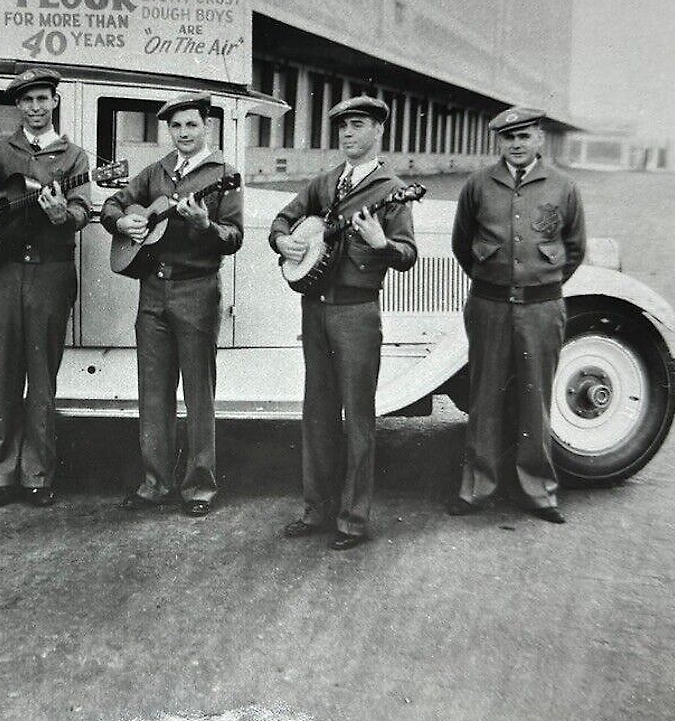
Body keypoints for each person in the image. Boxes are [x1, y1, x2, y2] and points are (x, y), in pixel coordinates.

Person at [269, 95, 417, 549]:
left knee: (358, 416)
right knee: (316, 411)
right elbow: (282, 220)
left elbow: (408, 254)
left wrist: (380, 243)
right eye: (343, 127)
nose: (348, 134)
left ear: (377, 131)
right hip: (314, 308)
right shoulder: (325, 182)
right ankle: (316, 510)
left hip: (356, 311)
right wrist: (284, 243)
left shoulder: (392, 188)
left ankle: (352, 519)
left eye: (358, 125)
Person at [0, 68, 90, 508]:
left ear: (55, 102)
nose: (36, 107)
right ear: (18, 106)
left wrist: (64, 214)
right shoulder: (0, 152)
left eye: (43, 99)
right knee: (6, 372)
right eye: (27, 101)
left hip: (51, 274)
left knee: (43, 378)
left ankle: (37, 476)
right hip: (6, 273)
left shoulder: (74, 156)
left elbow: (82, 210)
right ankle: (0, 475)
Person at [101, 94, 243, 517]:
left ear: (206, 128)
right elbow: (112, 204)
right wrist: (123, 220)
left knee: (199, 393)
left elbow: (234, 236)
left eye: (192, 126)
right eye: (177, 127)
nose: (184, 133)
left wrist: (205, 225)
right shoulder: (157, 171)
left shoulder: (224, 175)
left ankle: (200, 486)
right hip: (152, 291)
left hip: (196, 290)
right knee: (154, 390)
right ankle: (155, 483)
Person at [447, 107, 586, 524]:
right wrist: (494, 282)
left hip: (542, 307)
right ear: (499, 142)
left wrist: (539, 284)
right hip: (489, 305)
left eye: (524, 136)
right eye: (509, 138)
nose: (517, 144)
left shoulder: (563, 186)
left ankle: (538, 492)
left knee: (535, 398)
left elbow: (575, 248)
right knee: (484, 396)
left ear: (539, 138)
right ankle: (476, 489)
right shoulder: (478, 185)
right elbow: (462, 243)